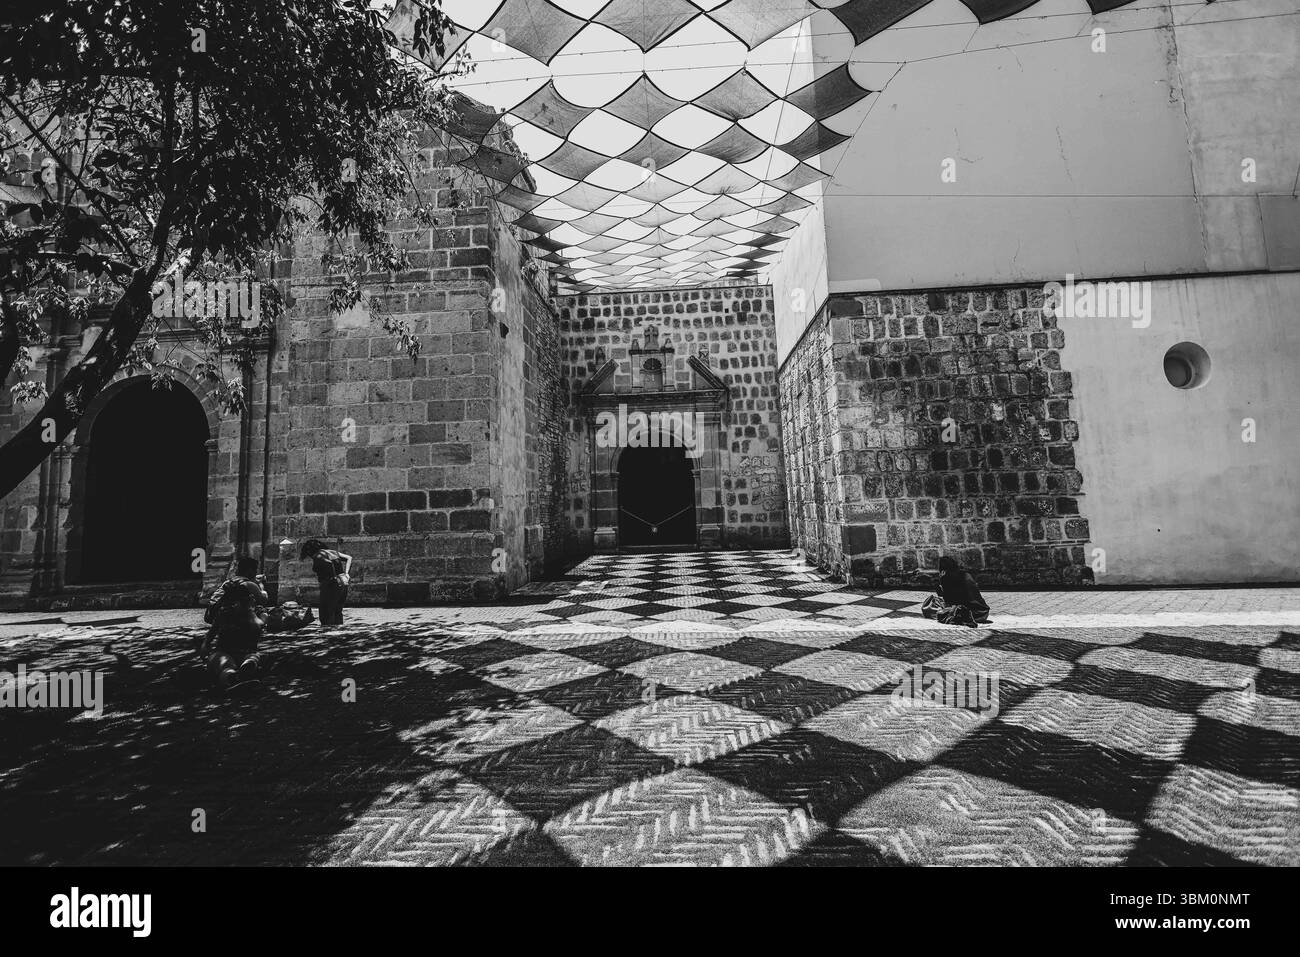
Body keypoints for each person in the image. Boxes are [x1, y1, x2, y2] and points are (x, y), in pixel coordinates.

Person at [203, 557, 269, 689]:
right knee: (255, 657)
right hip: (246, 651)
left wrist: (205, 649)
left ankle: (230, 677)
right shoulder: (252, 617)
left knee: (221, 662)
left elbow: (208, 639)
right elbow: (263, 603)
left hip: (224, 652)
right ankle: (247, 669)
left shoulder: (223, 612)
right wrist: (262, 614)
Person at [922, 556, 991, 627]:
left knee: (930, 605)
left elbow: (949, 601)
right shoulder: (965, 574)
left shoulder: (948, 578)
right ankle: (961, 615)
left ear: (943, 571)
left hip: (973, 613)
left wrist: (941, 582)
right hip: (984, 612)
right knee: (939, 604)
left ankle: (960, 617)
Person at [300, 539, 352, 627]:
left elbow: (328, 563)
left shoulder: (318, 556)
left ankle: (328, 635)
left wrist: (332, 577)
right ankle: (339, 634)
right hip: (343, 581)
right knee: (337, 611)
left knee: (326, 613)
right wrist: (346, 573)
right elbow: (349, 558)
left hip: (331, 584)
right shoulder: (332, 552)